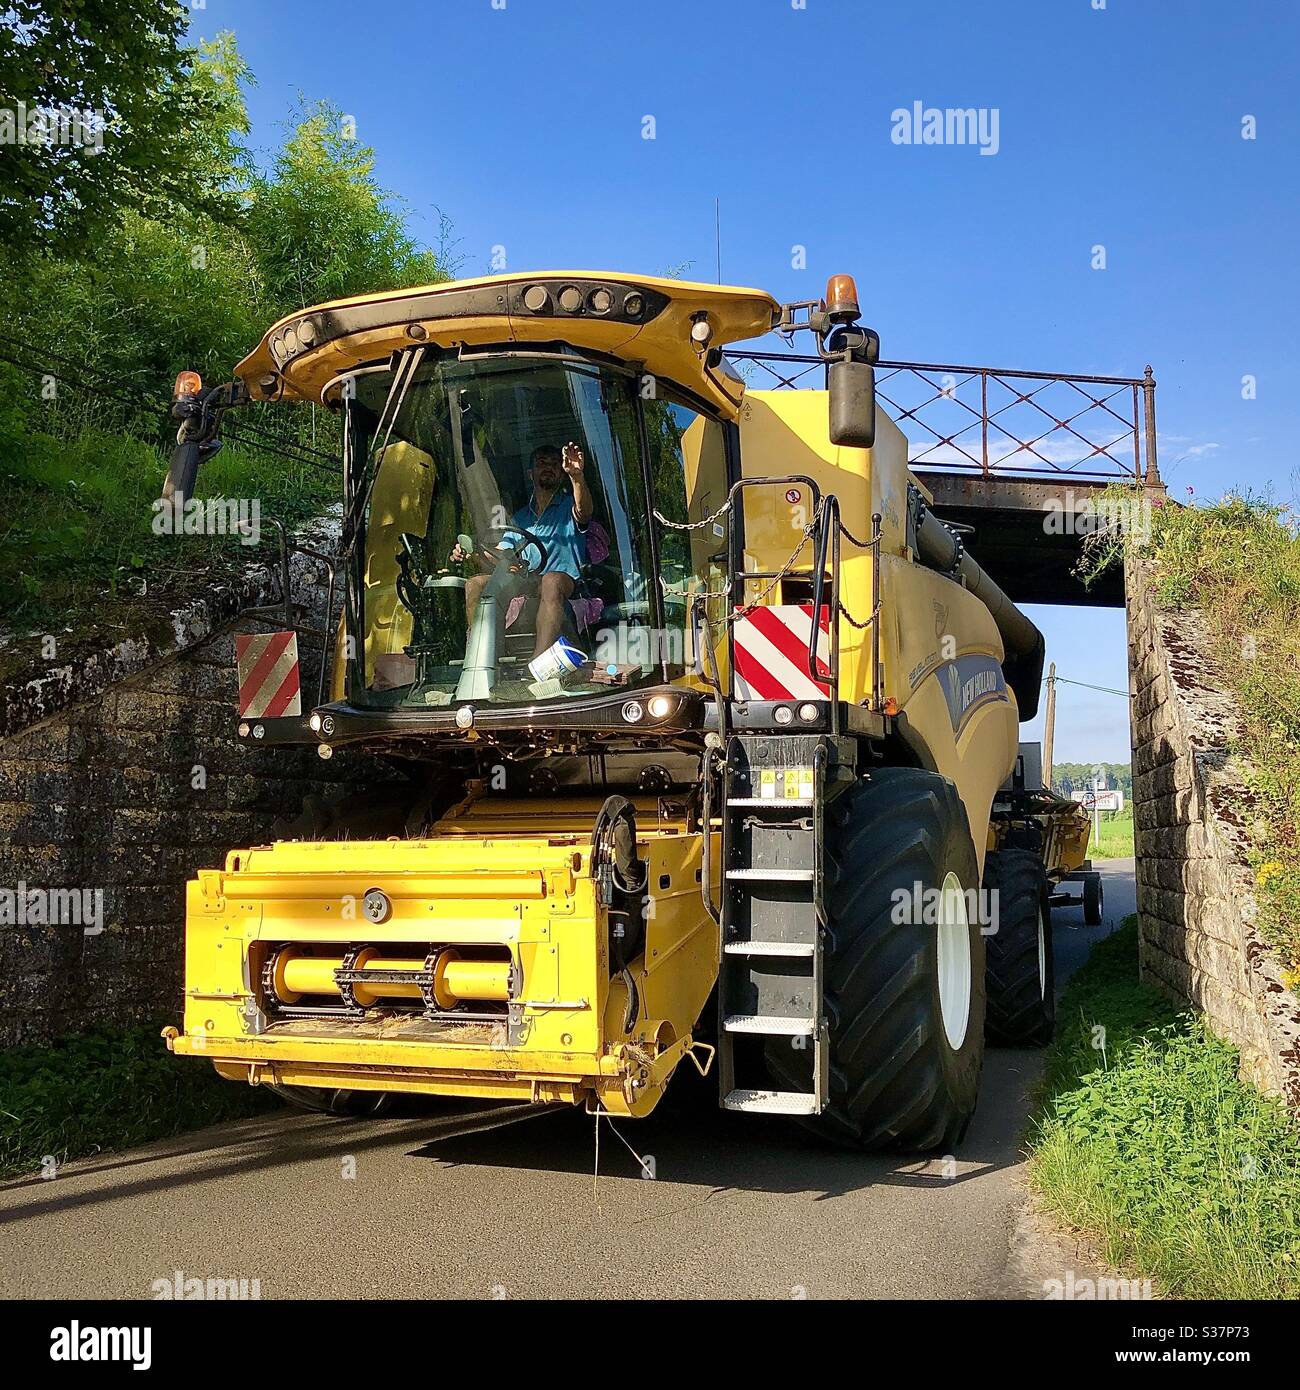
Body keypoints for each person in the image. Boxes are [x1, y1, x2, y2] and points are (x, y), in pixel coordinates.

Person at [454, 442, 594, 659]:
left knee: (551, 580)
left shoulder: (569, 506)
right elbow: (502, 553)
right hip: (527, 581)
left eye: (555, 464)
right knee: (475, 584)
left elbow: (584, 512)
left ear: (561, 471)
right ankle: (481, 657)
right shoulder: (520, 519)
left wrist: (576, 476)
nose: (548, 467)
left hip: (565, 582)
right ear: (531, 474)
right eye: (542, 463)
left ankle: (538, 662)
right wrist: (471, 552)